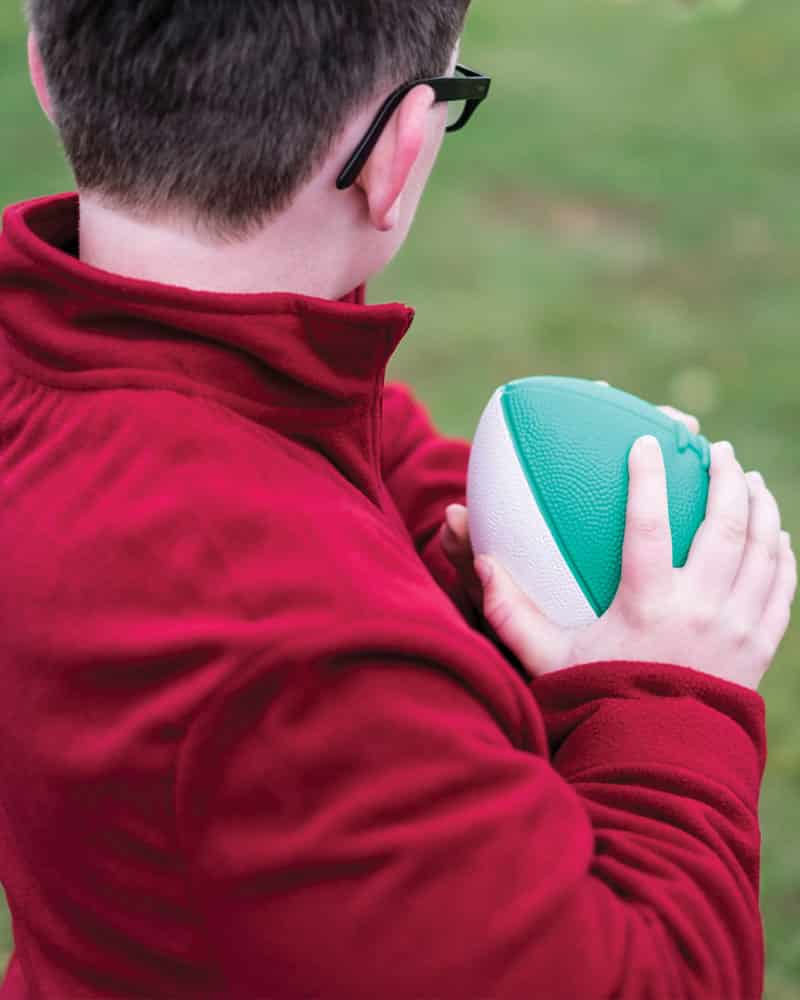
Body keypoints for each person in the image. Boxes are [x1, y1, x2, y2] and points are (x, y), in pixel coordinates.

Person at [0, 1, 795, 997]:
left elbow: (354, 445)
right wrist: (660, 696)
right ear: (397, 150)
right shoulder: (301, 664)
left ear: (46, 71)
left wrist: (486, 563)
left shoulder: (80, 359)